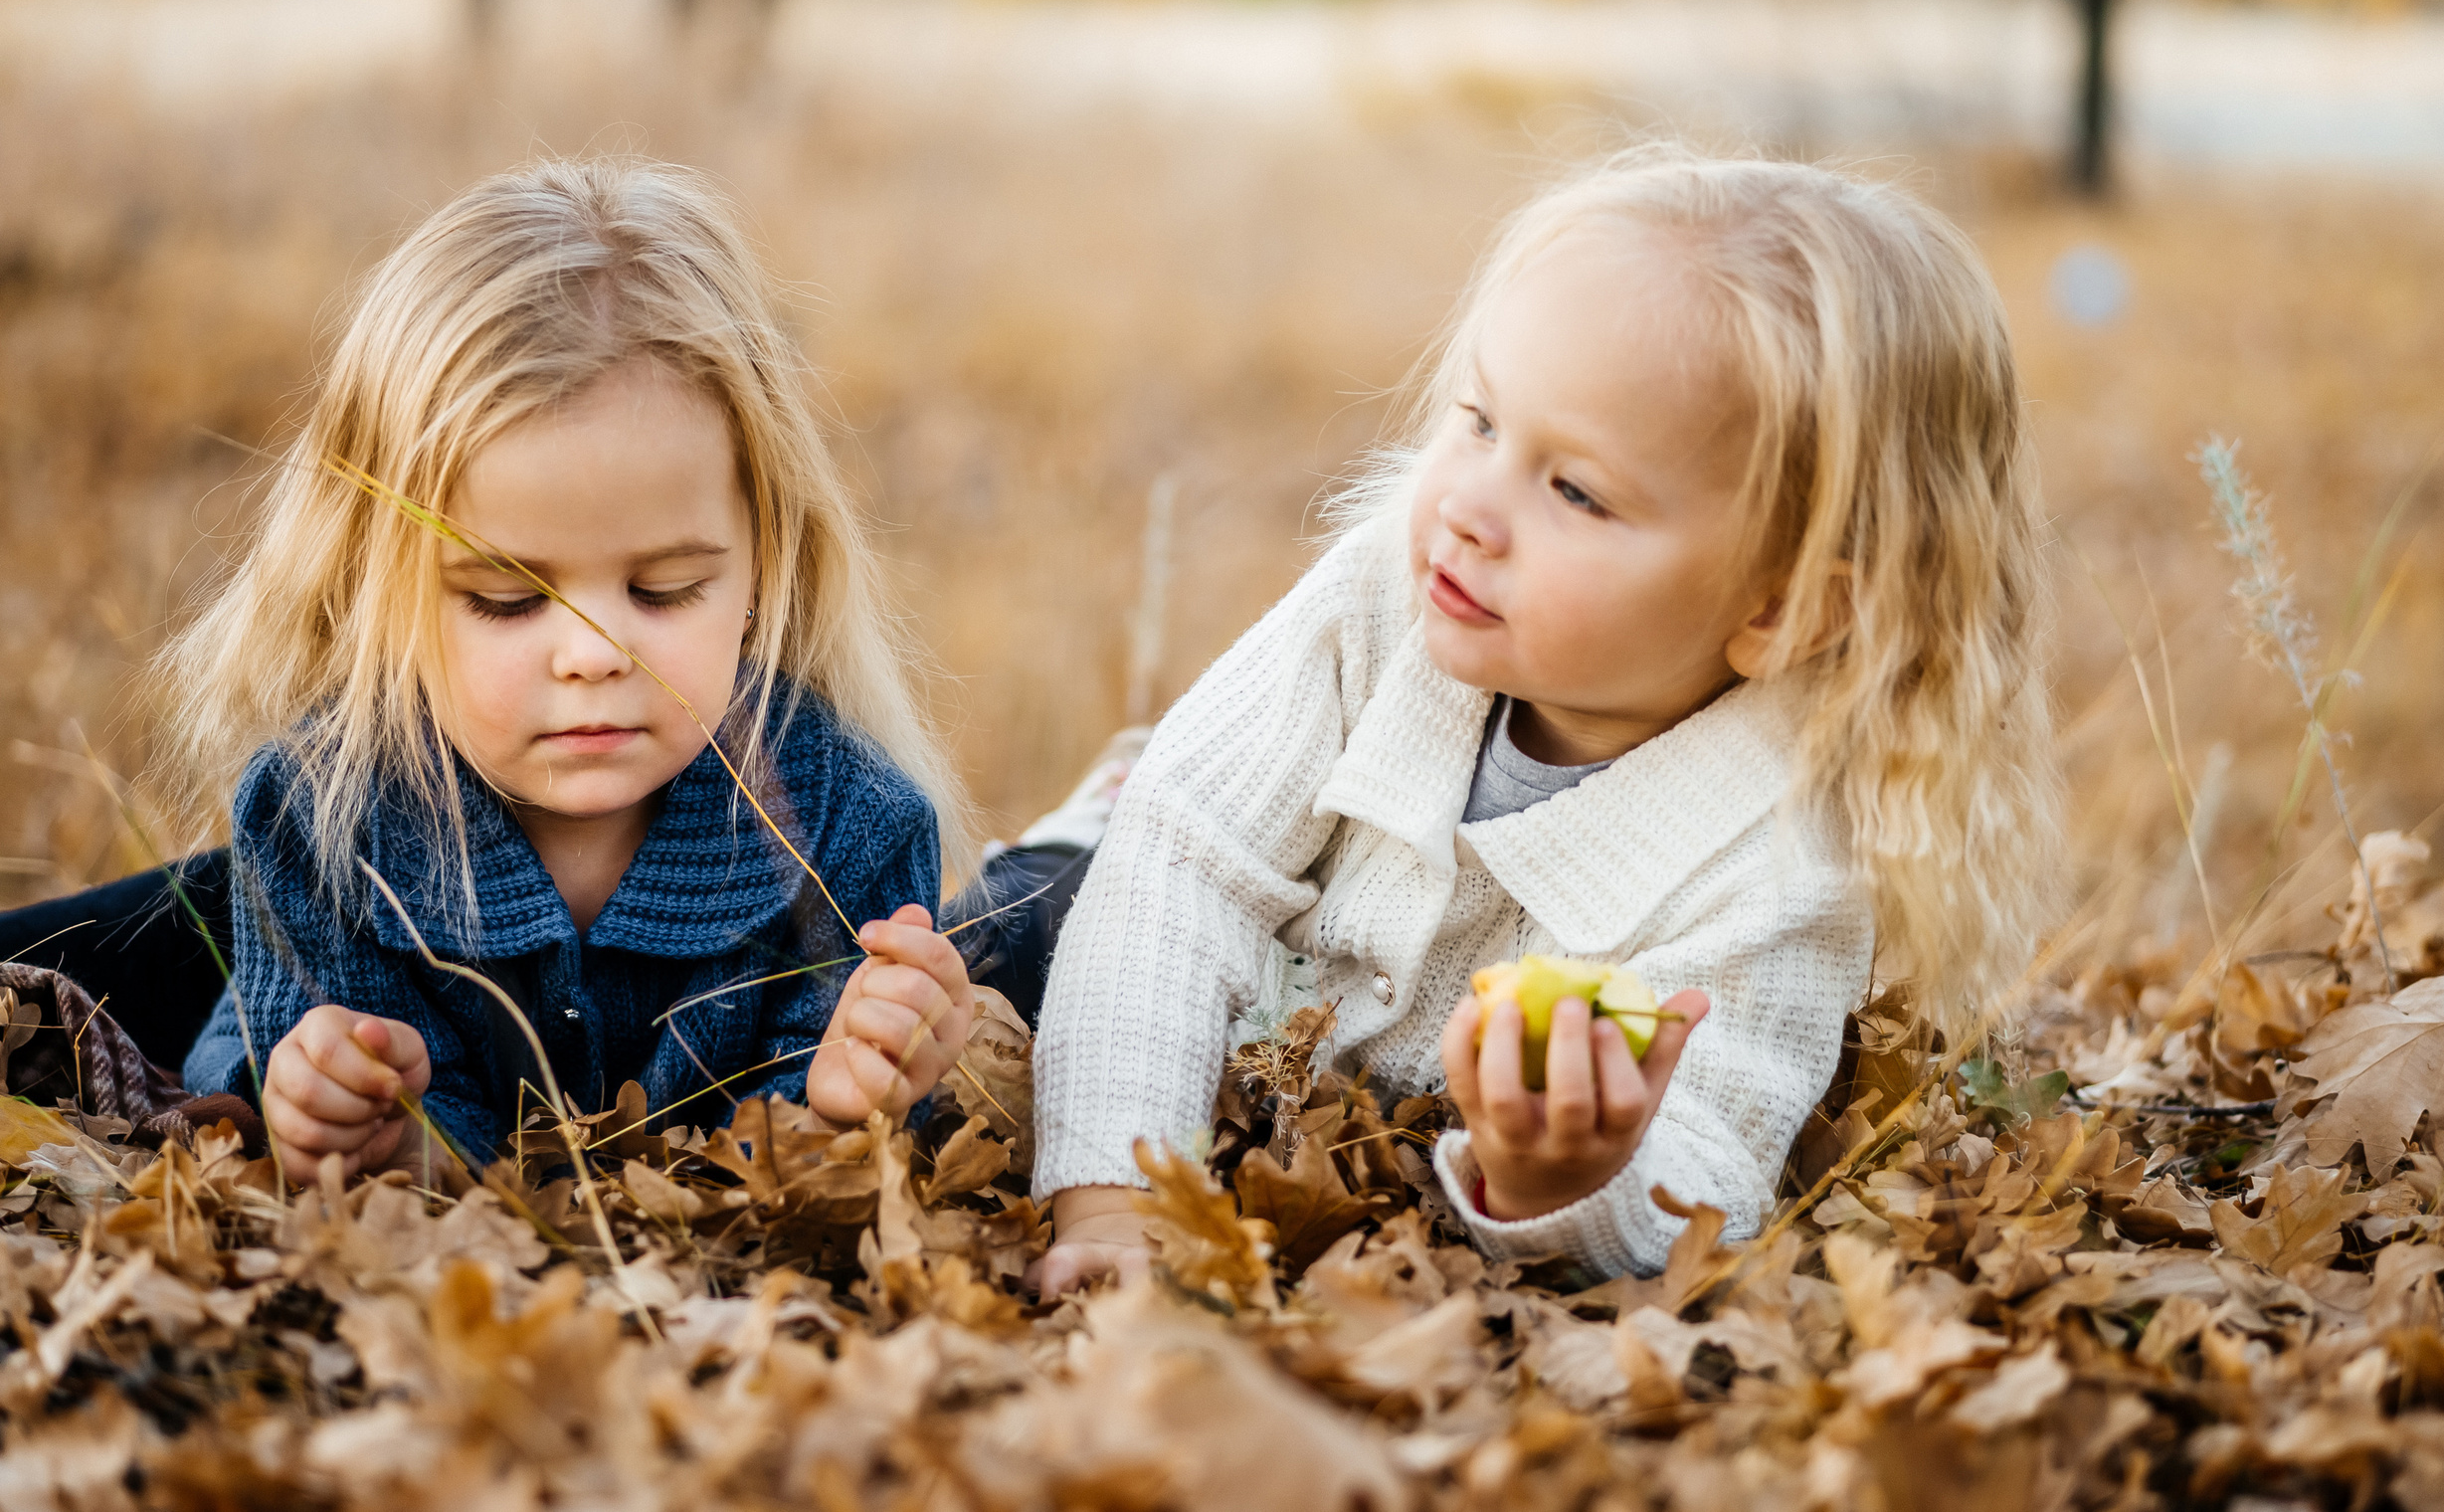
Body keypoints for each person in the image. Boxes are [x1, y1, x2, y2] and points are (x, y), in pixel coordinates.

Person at [1030, 146, 2064, 1291]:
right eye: (1478, 421)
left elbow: (1710, 1168)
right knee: (1017, 941)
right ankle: (1056, 844)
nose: (1468, 508)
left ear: (1780, 610)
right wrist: (1119, 1206)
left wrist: (1570, 1181)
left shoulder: (1777, 866)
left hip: (1359, 1130)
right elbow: (1179, 877)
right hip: (1140, 895)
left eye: (1573, 489)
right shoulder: (1379, 601)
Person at [127, 157, 981, 1185]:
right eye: (506, 598)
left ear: (765, 564)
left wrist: (840, 1100)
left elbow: (801, 1142)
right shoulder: (319, 820)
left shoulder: (853, 823)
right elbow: (402, 1138)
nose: (591, 654)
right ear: (379, 589)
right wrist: (378, 1128)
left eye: (664, 589)